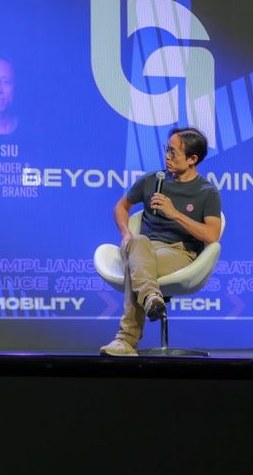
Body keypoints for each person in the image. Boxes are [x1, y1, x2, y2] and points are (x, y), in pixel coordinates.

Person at [100, 127, 222, 357]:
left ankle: (126, 340)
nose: (167, 156)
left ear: (193, 159)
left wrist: (174, 213)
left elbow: (212, 235)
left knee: (136, 266)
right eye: (167, 150)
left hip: (178, 253)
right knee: (138, 243)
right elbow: (121, 207)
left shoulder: (207, 192)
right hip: (142, 247)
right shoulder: (152, 180)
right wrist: (126, 233)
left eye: (173, 153)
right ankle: (151, 298)